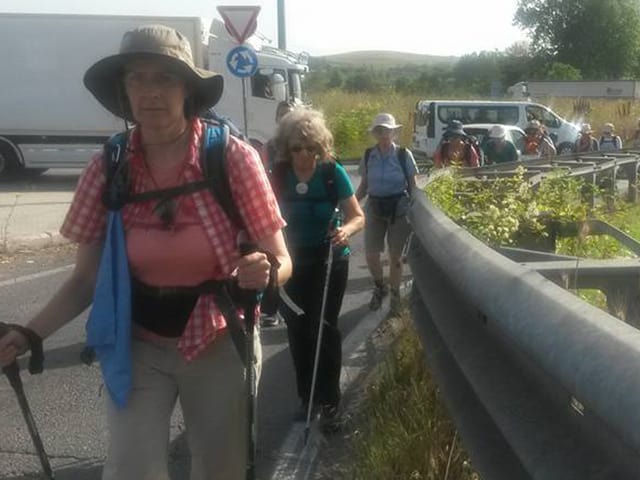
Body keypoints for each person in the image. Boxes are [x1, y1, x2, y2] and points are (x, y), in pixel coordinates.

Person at [0, 24, 292, 480]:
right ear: (123, 89)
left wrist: (266, 270)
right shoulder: (107, 166)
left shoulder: (232, 158)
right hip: (137, 339)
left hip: (218, 337)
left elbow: (281, 257)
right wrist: (28, 334)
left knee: (221, 468)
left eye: (164, 79)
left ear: (187, 89)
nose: (150, 92)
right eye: (137, 78)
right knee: (130, 468)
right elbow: (85, 279)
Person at [271, 107, 365, 423]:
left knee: (324, 329)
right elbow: (263, 216)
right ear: (287, 148)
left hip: (330, 261)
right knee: (298, 330)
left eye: (310, 148)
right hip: (292, 262)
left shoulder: (330, 172)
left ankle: (330, 401)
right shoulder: (279, 175)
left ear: (320, 147)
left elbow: (357, 217)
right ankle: (306, 398)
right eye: (296, 148)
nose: (303, 155)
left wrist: (345, 231)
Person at [355, 113, 418, 315]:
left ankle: (395, 296)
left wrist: (416, 208)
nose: (383, 134)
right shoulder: (368, 155)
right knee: (372, 254)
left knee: (395, 256)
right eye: (379, 130)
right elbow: (364, 185)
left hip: (399, 208)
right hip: (374, 207)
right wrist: (351, 204)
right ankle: (380, 286)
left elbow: (413, 186)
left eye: (387, 130)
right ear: (375, 133)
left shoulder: (403, 154)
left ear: (393, 132)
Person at [260, 100, 297, 328]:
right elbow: (262, 175)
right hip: (275, 206)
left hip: (297, 207)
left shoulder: (304, 143)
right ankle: (272, 309)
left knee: (293, 258)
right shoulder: (270, 146)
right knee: (274, 258)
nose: (285, 119)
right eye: (282, 115)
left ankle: (290, 306)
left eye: (289, 115)